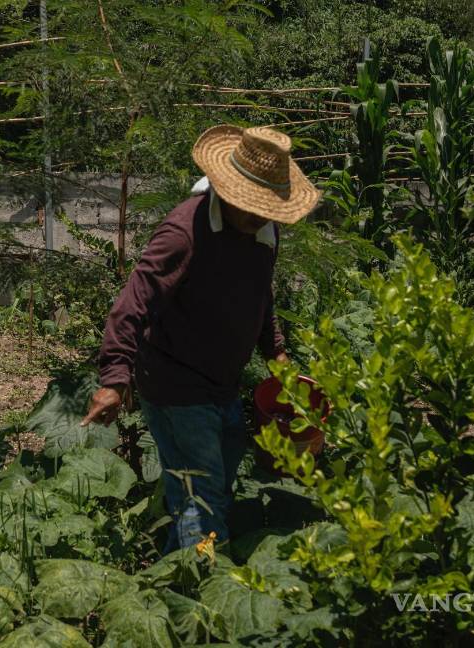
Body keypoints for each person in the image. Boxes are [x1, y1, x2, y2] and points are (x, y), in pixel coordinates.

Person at [80, 125, 321, 553]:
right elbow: (134, 301)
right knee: (202, 499)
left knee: (212, 488)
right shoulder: (185, 232)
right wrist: (114, 379)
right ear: (226, 190)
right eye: (251, 205)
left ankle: (178, 571)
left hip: (222, 383)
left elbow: (260, 294)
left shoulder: (264, 232)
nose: (259, 215)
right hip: (175, 382)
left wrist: (276, 352)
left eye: (266, 207)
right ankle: (205, 585)